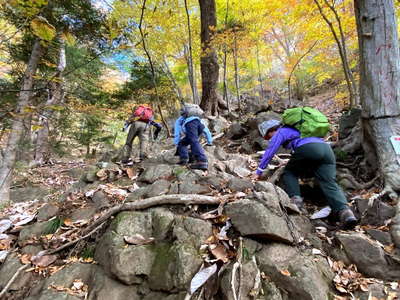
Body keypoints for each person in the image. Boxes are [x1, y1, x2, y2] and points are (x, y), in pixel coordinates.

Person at [252, 119, 357, 229]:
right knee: (329, 182)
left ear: (272, 130)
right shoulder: (299, 130)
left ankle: (296, 203)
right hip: (326, 150)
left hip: (309, 149)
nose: (270, 139)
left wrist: (259, 171)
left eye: (268, 137)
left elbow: (270, 151)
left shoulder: (281, 131)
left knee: (289, 172)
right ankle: (345, 213)